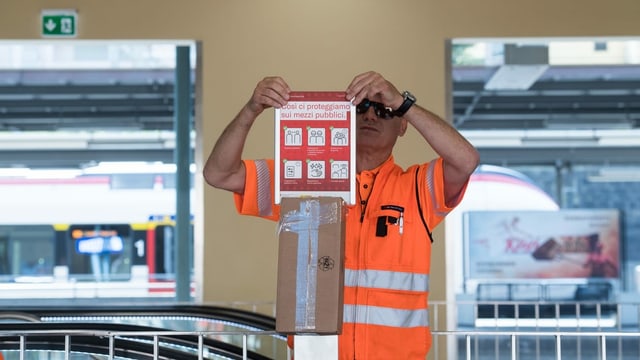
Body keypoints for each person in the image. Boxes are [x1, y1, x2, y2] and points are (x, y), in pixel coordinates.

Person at [203, 71, 480, 359]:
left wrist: (403, 102)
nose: (371, 116)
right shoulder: (303, 180)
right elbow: (219, 174)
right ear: (345, 118)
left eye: (385, 111)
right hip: (317, 354)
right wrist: (251, 110)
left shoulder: (417, 188)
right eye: (361, 107)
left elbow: (466, 159)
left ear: (402, 125)